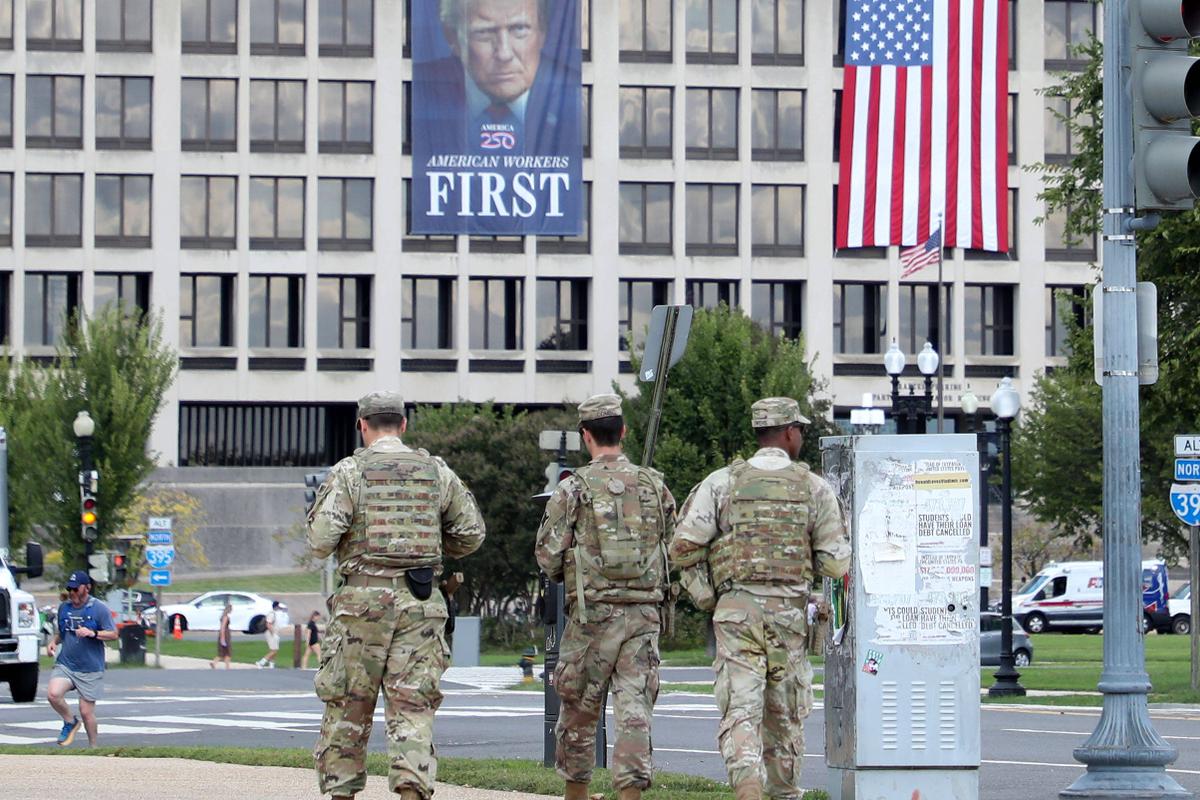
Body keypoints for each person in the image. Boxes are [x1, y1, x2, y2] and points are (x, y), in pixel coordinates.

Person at [669, 397, 851, 800]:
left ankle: (747, 784)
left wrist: (707, 596)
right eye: (799, 429)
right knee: (784, 715)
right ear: (788, 433)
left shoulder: (721, 483)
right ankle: (783, 792)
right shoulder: (814, 488)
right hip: (788, 616)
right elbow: (837, 563)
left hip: (736, 613)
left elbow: (682, 547)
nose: (800, 436)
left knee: (741, 708)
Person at [308, 390, 486, 800]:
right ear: (403, 425)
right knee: (413, 710)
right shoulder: (436, 472)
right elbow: (472, 533)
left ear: (362, 425)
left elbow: (320, 540)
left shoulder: (350, 472)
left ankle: (342, 793)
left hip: (361, 607)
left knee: (347, 707)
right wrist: (435, 546)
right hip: (421, 605)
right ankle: (411, 791)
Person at [535, 393, 676, 800]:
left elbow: (547, 555)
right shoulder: (654, 484)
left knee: (579, 711)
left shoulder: (573, 488)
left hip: (591, 619)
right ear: (623, 432)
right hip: (644, 617)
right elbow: (675, 544)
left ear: (585, 436)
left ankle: (577, 795)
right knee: (634, 715)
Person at [421, 0, 579, 155]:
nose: (504, 54)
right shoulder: (419, 92)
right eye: (484, 32)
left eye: (519, 28)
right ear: (452, 37)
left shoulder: (577, 95)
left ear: (542, 33)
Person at [46, 570, 118, 747]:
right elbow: (61, 632)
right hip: (66, 663)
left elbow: (113, 634)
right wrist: (53, 642)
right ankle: (70, 722)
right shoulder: (64, 608)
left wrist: (92, 633)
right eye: (70, 589)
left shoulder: (98, 608)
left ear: (87, 588)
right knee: (53, 694)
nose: (72, 593)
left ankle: (93, 747)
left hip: (90, 667)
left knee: (86, 712)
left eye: (76, 589)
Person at [256, 601, 282, 668]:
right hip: (271, 634)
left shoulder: (275, 614)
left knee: (273, 649)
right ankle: (261, 662)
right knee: (274, 650)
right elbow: (268, 624)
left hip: (274, 633)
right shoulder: (271, 614)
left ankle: (272, 663)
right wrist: (273, 634)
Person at [211, 603, 233, 669]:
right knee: (227, 651)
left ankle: (215, 663)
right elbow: (223, 627)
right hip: (225, 635)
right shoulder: (225, 617)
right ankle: (227, 666)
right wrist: (222, 638)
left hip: (224, 635)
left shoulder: (223, 616)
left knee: (222, 652)